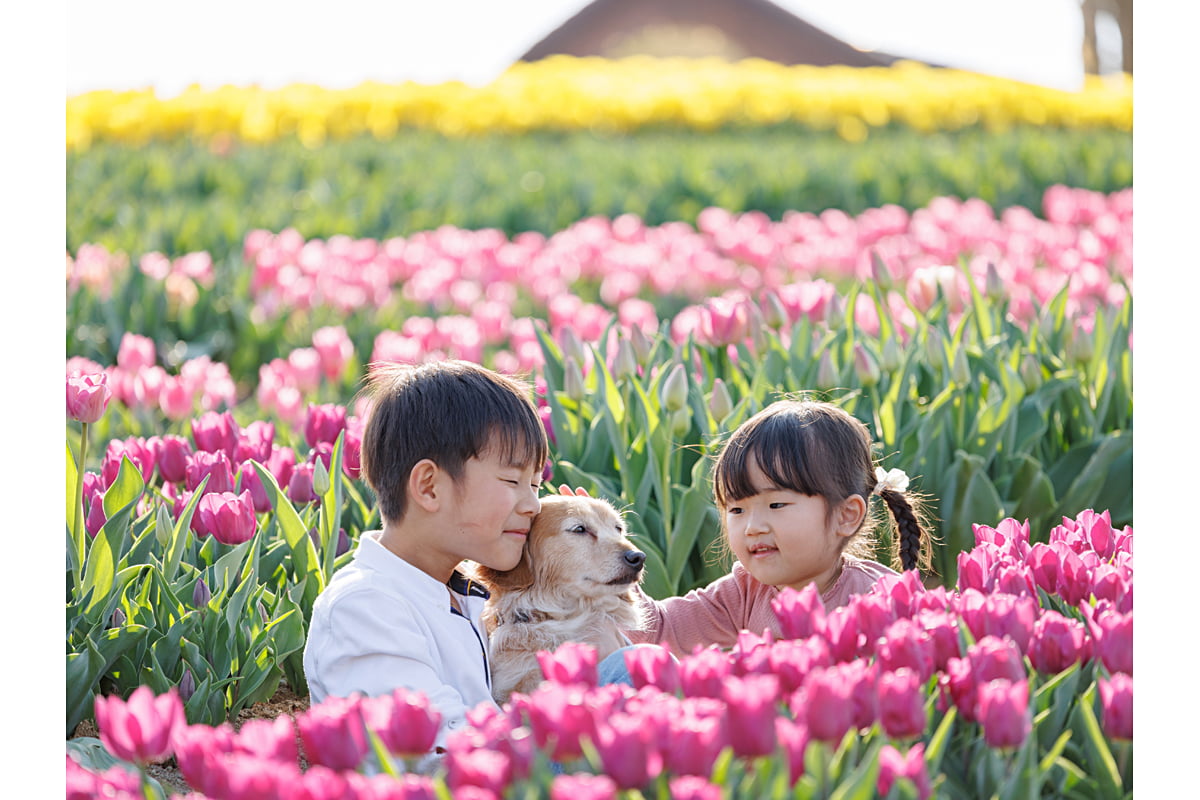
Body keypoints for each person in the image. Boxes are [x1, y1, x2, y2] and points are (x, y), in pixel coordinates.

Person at [302, 359, 549, 756]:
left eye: (535, 485)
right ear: (429, 487)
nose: (534, 504)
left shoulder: (465, 592)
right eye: (512, 481)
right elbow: (437, 752)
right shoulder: (365, 606)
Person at [627, 398, 933, 657]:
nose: (752, 527)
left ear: (846, 515)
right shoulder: (743, 593)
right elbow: (658, 629)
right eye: (736, 509)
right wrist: (594, 540)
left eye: (776, 505)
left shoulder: (881, 597)